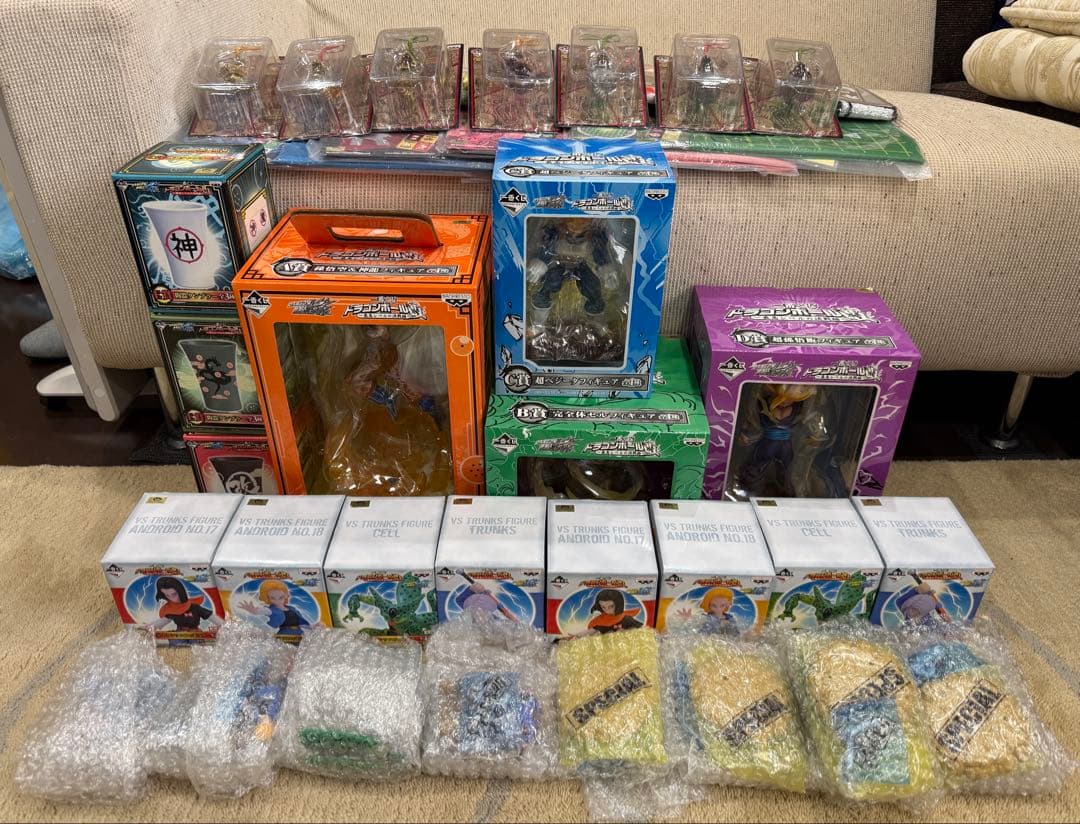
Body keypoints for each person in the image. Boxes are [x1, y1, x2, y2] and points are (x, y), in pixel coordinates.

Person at [237, 579, 316, 638]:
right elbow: (265, 611)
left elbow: (302, 622)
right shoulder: (273, 610)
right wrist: (255, 611)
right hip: (283, 637)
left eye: (281, 597)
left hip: (299, 635)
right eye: (273, 598)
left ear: (286, 596)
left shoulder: (292, 609)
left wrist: (312, 626)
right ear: (267, 598)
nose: (277, 601)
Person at [143, 575, 222, 633]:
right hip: (179, 633)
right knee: (176, 643)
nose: (172, 598)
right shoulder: (171, 609)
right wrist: (150, 627)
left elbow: (210, 616)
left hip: (195, 632)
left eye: (174, 594)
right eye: (167, 595)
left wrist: (223, 625)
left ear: (180, 591)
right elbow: (164, 621)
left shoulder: (193, 606)